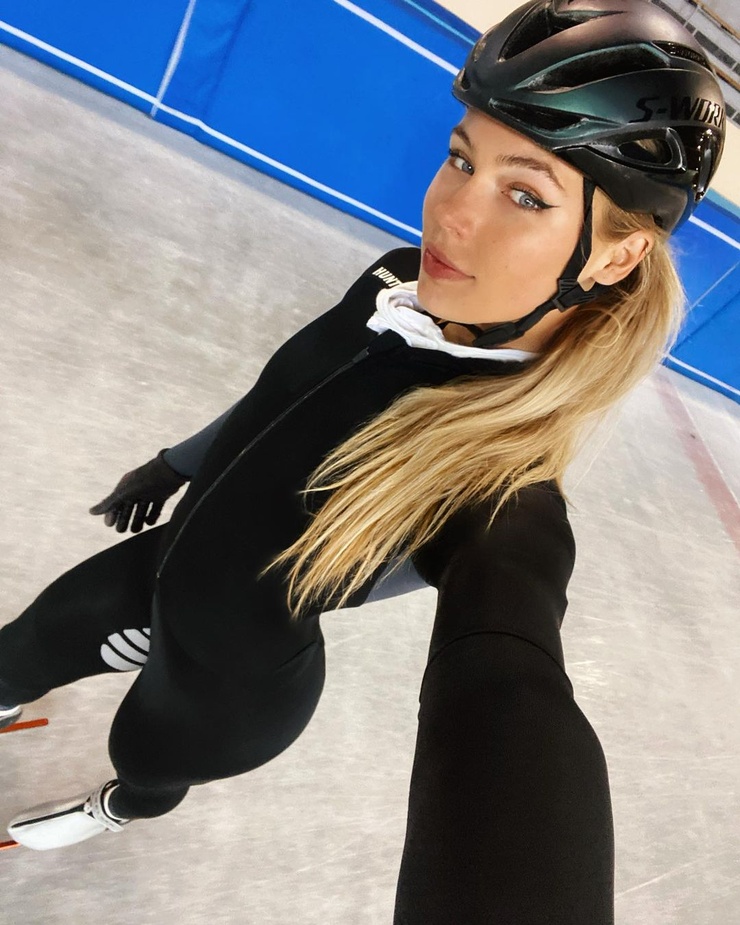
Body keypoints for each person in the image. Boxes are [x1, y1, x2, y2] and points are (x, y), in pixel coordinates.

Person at [0, 0, 725, 921]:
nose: (451, 213)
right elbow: (278, 396)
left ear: (618, 257)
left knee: (145, 752)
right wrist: (174, 462)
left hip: (230, 682)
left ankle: (124, 803)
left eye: (526, 194)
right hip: (160, 570)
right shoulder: (394, 276)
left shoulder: (499, 485)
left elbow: (511, 691)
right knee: (16, 650)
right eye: (462, 158)